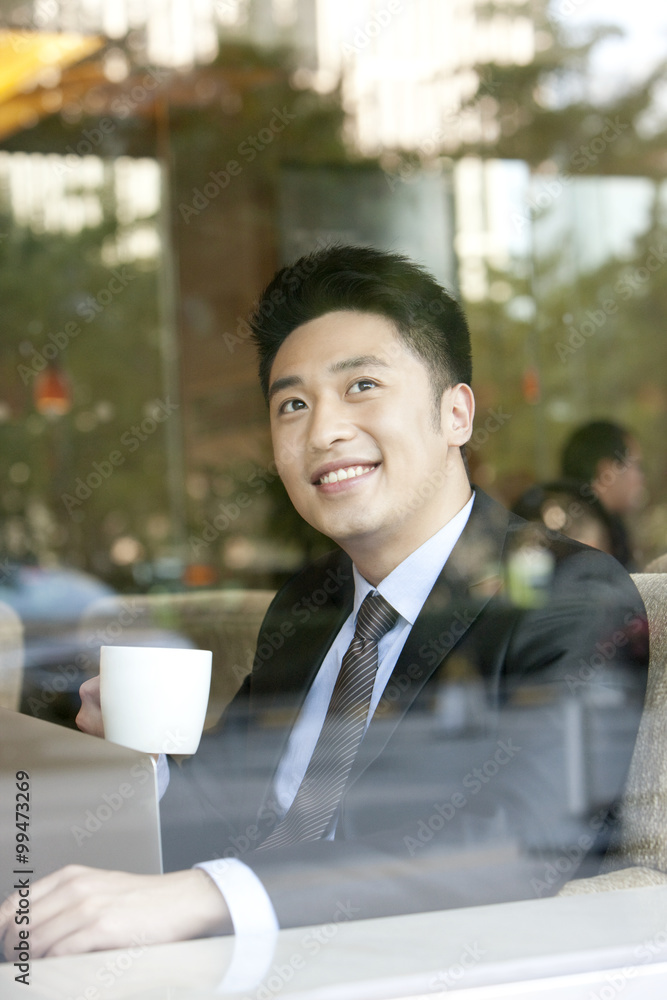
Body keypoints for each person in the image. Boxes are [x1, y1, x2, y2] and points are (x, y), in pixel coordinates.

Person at [0, 245, 648, 960]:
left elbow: (525, 835)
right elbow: (218, 822)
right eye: (293, 404)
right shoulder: (308, 605)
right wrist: (138, 768)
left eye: (362, 386)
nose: (323, 431)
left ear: (455, 412)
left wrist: (205, 898)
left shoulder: (567, 593)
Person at [560, 420, 645, 569]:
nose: (641, 477)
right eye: (636, 466)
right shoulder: (583, 534)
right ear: (607, 470)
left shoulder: (611, 527)